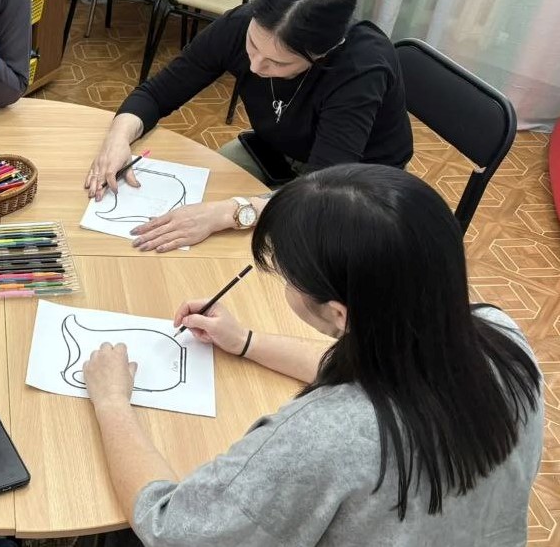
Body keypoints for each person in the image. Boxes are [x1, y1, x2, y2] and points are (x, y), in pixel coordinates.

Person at [82, 164, 542, 546]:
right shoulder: (502, 338)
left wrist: (112, 401)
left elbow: (169, 528)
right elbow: (384, 371)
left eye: (288, 277)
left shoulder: (325, 438)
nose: (286, 286)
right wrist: (245, 341)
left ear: (340, 314)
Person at [84, 0, 413, 252]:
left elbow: (321, 193)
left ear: (321, 54)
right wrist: (118, 138)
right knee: (191, 215)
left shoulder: (360, 67)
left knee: (277, 254)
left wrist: (231, 212)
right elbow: (157, 94)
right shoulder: (242, 24)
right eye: (253, 45)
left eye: (278, 63)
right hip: (277, 150)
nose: (255, 66)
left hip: (354, 182)